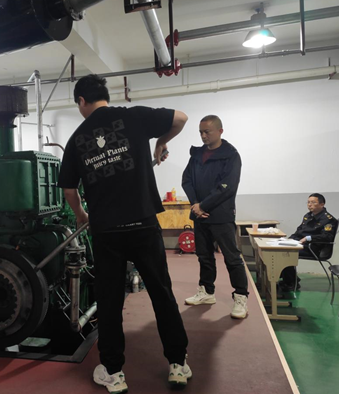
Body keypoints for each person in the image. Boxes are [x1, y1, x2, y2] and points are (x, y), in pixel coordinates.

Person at [58, 74, 191, 393]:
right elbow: (181, 118)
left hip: (107, 231)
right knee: (161, 293)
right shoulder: (134, 117)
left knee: (110, 301)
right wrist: (161, 141)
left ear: (81, 101)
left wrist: (81, 216)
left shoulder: (77, 139)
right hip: (143, 223)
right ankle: (177, 364)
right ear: (104, 95)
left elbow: (68, 189)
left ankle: (114, 372)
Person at [181, 115, 249, 319]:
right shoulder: (196, 155)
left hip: (221, 214)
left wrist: (203, 205)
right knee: (204, 256)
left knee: (232, 257)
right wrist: (196, 205)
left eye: (207, 132)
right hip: (199, 214)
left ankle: (241, 297)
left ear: (220, 131)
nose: (203, 136)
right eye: (200, 132)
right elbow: (187, 180)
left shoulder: (231, 156)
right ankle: (207, 292)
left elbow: (227, 187)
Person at [280, 193, 338, 291]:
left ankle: (291, 283)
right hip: (302, 245)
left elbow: (327, 236)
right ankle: (290, 280)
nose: (309, 205)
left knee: (287, 254)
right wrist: (289, 239)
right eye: (308, 202)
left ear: (322, 204)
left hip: (315, 248)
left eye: (313, 202)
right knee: (280, 251)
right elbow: (299, 231)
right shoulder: (308, 216)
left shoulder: (328, 219)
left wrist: (308, 238)